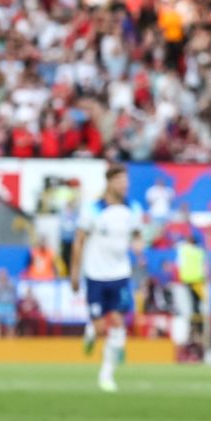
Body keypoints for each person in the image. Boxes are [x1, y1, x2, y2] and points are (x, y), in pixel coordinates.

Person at [70, 164, 139, 392]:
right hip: (96, 274)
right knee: (101, 328)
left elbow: (137, 235)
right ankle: (92, 332)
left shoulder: (133, 209)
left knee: (118, 323)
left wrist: (139, 246)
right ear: (109, 183)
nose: (125, 185)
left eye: (126, 181)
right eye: (120, 181)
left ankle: (106, 375)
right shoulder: (93, 210)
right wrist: (74, 271)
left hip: (120, 274)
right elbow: (79, 240)